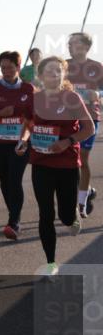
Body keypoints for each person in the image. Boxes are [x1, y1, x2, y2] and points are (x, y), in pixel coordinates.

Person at [14, 56, 94, 279]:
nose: (54, 75)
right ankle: (51, 263)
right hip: (41, 163)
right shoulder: (34, 100)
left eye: (58, 71)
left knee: (66, 217)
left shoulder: (72, 98)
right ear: (40, 76)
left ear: (63, 74)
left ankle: (74, 215)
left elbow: (88, 129)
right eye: (49, 71)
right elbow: (28, 125)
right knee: (45, 213)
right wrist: (23, 140)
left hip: (67, 164)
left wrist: (67, 141)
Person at [0, 51, 35, 240]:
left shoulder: (28, 89)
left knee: (15, 180)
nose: (6, 71)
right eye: (2, 68)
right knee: (5, 182)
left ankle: (14, 223)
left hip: (20, 144)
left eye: (10, 67)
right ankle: (14, 214)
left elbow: (36, 116)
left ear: (18, 67)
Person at [66, 32, 101, 218]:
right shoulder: (63, 66)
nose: (70, 47)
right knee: (70, 160)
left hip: (90, 118)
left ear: (86, 47)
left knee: (82, 158)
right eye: (69, 44)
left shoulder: (96, 67)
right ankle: (85, 190)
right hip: (66, 119)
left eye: (74, 44)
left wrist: (99, 95)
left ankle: (81, 201)